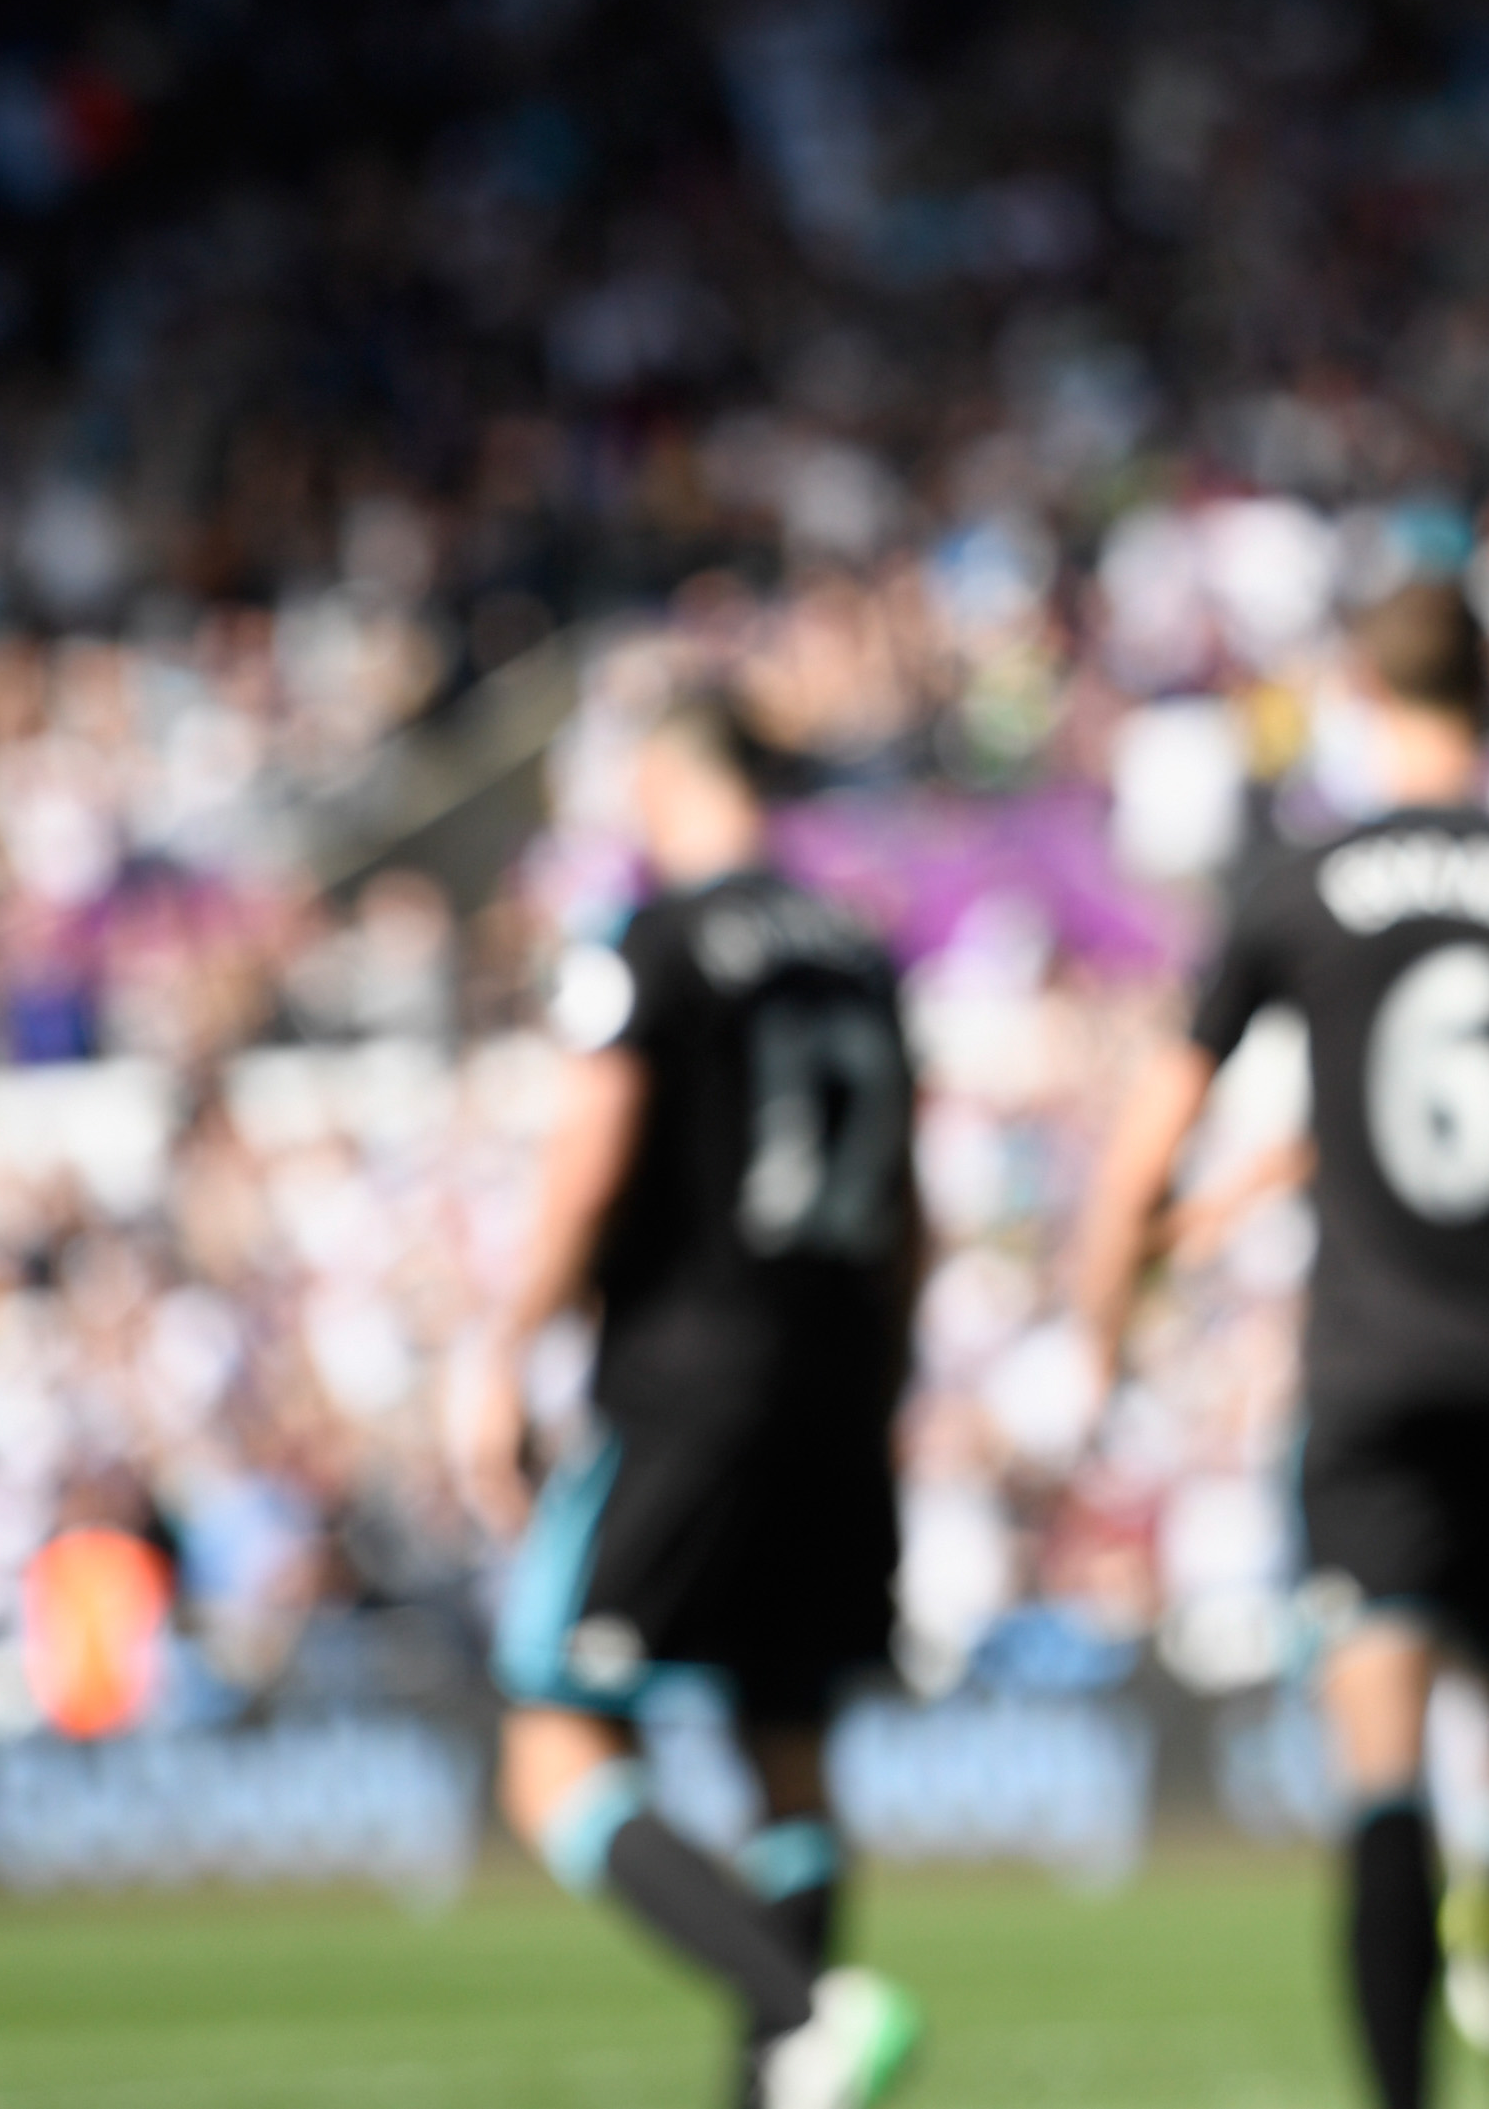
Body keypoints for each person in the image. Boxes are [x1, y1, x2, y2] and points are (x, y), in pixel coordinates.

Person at [1067, 579, 1489, 2109]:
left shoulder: (1298, 878)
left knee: (1382, 1770)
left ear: (1360, 687)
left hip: (1369, 1382)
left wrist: (1105, 1309)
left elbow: (1153, 1132)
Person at [455, 692, 927, 2109]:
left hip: (689, 1387)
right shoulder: (859, 953)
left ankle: (803, 2011)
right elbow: (910, 1205)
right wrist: (884, 1374)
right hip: (838, 1385)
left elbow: (593, 1163)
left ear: (665, 775)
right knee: (787, 1756)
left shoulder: (650, 941)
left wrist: (502, 1348)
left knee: (552, 1749)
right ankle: (787, 2080)